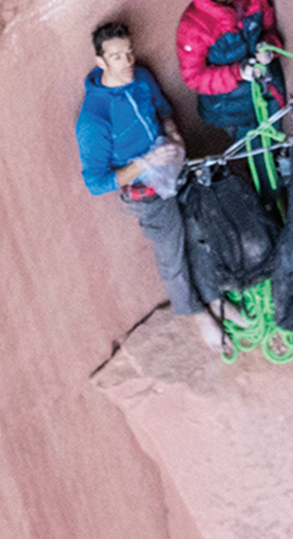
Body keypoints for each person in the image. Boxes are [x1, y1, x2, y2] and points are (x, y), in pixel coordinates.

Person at [75, 20, 225, 349]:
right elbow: (98, 183)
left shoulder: (140, 77)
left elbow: (162, 109)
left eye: (129, 53)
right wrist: (144, 163)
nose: (127, 62)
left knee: (199, 230)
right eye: (116, 57)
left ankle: (215, 300)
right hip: (145, 193)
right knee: (172, 251)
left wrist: (173, 135)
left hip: (170, 168)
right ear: (100, 62)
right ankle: (195, 314)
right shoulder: (94, 117)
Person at [176, 0, 286, 141]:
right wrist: (238, 72)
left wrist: (268, 48)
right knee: (258, 158)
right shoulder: (192, 25)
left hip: (268, 91)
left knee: (279, 146)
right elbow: (194, 77)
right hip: (231, 109)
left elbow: (271, 31)